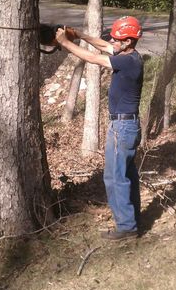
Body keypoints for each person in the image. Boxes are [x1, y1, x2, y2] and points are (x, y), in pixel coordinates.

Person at [56, 16, 143, 240]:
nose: (112, 41)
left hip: (122, 126)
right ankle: (133, 220)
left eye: (117, 39)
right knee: (127, 175)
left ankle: (126, 227)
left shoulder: (127, 61)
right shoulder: (128, 55)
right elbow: (103, 46)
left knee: (115, 177)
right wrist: (80, 35)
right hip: (127, 125)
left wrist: (65, 42)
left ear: (129, 41)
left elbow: (94, 58)